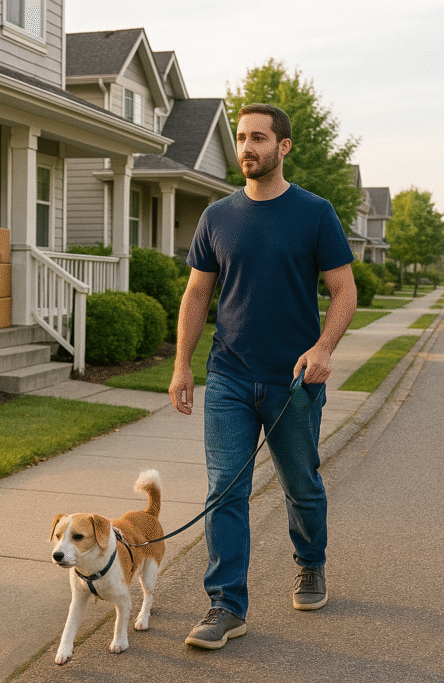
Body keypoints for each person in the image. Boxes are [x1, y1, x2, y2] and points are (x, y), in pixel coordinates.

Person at [169, 103, 357, 650]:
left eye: (258, 138)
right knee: (226, 490)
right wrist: (183, 364)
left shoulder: (315, 213)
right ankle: (226, 604)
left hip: (294, 381)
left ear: (284, 147)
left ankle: (311, 562)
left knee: (302, 485)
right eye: (241, 138)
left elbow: (344, 291)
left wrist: (324, 348)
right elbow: (197, 294)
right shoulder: (217, 217)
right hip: (228, 375)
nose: (246, 148)